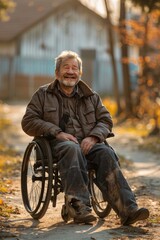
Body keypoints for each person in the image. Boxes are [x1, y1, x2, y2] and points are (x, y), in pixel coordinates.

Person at [21, 50, 149, 225]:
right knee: (72, 148)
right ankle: (79, 207)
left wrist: (94, 138)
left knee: (105, 152)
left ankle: (128, 210)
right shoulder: (43, 95)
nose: (71, 71)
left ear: (80, 73)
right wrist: (57, 132)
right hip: (57, 146)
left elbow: (105, 120)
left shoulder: (91, 96)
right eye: (66, 67)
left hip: (89, 144)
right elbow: (28, 121)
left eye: (75, 68)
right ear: (57, 72)